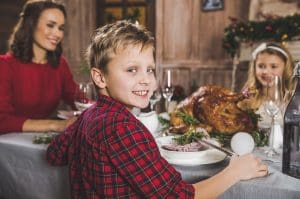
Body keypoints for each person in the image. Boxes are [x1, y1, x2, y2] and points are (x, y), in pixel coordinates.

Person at [47, 20, 268, 199]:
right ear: (100, 77)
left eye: (150, 69)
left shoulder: (90, 114)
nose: (146, 80)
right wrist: (235, 171)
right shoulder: (121, 126)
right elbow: (179, 197)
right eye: (132, 70)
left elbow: (55, 153)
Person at [0, 0, 78, 133]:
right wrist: (57, 125)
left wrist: (106, 108)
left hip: (40, 140)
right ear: (31, 25)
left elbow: (78, 98)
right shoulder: (5, 65)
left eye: (61, 28)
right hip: (7, 145)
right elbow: (2, 120)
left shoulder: (60, 64)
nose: (58, 34)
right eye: (50, 25)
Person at [239, 42, 295, 128]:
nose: (265, 72)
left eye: (273, 66)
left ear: (286, 68)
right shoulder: (248, 100)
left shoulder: (293, 100)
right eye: (261, 66)